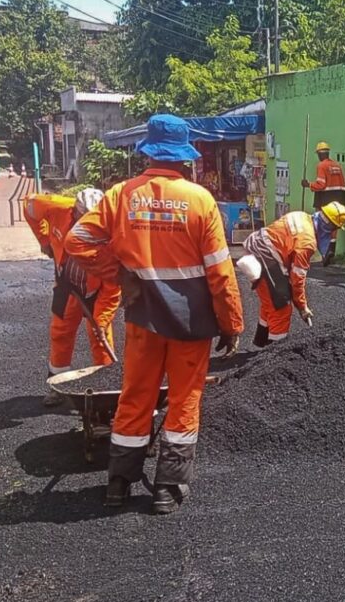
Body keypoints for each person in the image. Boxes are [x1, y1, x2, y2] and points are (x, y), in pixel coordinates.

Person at [65, 115, 244, 514]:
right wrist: (232, 324)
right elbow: (219, 271)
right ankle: (166, 490)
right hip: (191, 321)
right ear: (184, 159)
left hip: (143, 316)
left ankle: (118, 482)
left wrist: (120, 274)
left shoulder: (121, 195)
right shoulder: (200, 201)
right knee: (184, 399)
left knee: (135, 395)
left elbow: (78, 239)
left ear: (148, 153)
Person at [23, 188, 121, 407]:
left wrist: (101, 321)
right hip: (67, 284)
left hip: (97, 290)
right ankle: (56, 385)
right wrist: (44, 239)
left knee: (100, 336)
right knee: (60, 331)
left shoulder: (113, 234)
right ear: (74, 212)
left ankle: (106, 389)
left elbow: (113, 286)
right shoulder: (56, 206)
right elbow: (29, 206)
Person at [236, 202, 345, 347]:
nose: (334, 234)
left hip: (256, 245)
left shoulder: (301, 216)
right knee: (281, 306)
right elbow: (297, 280)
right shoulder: (307, 243)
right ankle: (274, 356)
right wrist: (302, 307)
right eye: (335, 229)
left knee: (271, 300)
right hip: (265, 256)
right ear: (329, 227)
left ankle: (261, 339)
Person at [301, 141, 345, 209]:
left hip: (327, 202)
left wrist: (308, 184)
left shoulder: (322, 165)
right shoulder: (337, 165)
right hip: (341, 202)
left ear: (319, 154)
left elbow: (321, 185)